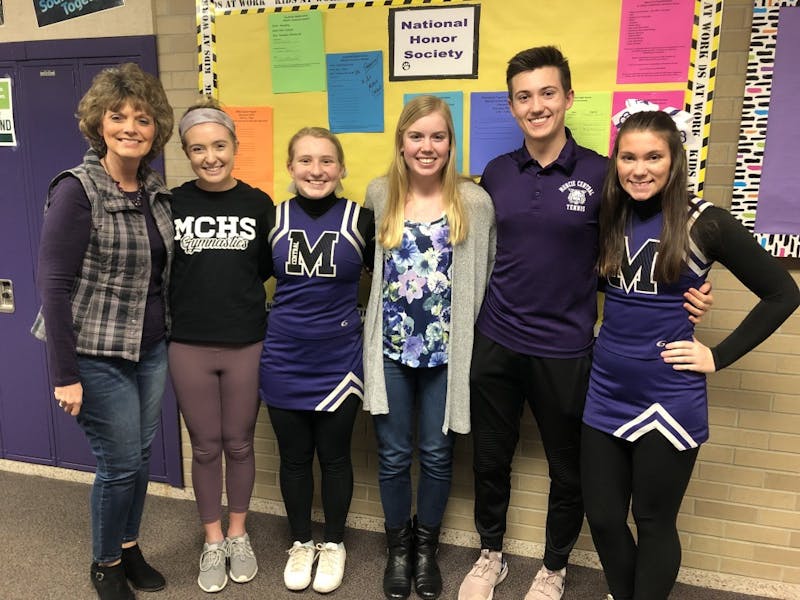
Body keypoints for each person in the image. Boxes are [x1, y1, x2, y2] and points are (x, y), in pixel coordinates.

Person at [458, 47, 713, 600]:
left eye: (548, 93)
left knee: (567, 469)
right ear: (512, 105)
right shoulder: (496, 174)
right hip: (497, 340)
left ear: (569, 98)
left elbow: (642, 243)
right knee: (489, 457)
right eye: (524, 96)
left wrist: (684, 293)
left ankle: (552, 567)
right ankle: (490, 554)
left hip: (568, 348)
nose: (537, 105)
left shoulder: (604, 173)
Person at [581, 109, 799, 600]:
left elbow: (783, 293)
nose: (640, 168)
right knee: (603, 516)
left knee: (654, 520)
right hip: (606, 386)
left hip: (667, 394)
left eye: (653, 156)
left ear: (675, 159)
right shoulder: (608, 215)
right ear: (616, 161)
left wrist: (717, 357)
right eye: (629, 157)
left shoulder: (708, 222)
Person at [31, 63, 174, 600]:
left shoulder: (154, 190)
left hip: (150, 349)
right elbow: (54, 285)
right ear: (99, 124)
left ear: (154, 127)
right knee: (118, 463)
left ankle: (130, 545)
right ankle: (105, 561)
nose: (130, 127)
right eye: (118, 117)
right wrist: (64, 375)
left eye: (141, 118)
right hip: (95, 354)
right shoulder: (77, 189)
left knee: (137, 457)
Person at [362, 95, 496, 600]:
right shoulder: (379, 196)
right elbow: (367, 273)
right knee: (394, 456)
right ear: (401, 142)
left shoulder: (474, 203)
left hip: (447, 353)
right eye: (416, 136)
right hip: (390, 350)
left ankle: (426, 549)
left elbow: (488, 273)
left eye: (437, 136)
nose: (427, 146)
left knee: (438, 455)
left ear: (450, 142)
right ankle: (399, 550)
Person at [259, 127, 375, 594]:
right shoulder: (272, 218)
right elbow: (245, 281)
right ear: (291, 168)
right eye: (305, 161)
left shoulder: (362, 220)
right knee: (293, 459)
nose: (316, 170)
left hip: (339, 361)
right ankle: (301, 542)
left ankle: (335, 544)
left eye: (327, 161)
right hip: (284, 356)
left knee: (334, 457)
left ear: (341, 168)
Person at [168, 98, 272, 592]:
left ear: (234, 145)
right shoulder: (172, 203)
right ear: (187, 153)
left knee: (240, 442)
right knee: (206, 447)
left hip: (245, 342)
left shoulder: (258, 204)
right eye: (198, 149)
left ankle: (237, 534)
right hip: (188, 344)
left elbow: (265, 271)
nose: (210, 157)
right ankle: (212, 542)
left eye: (219, 145)